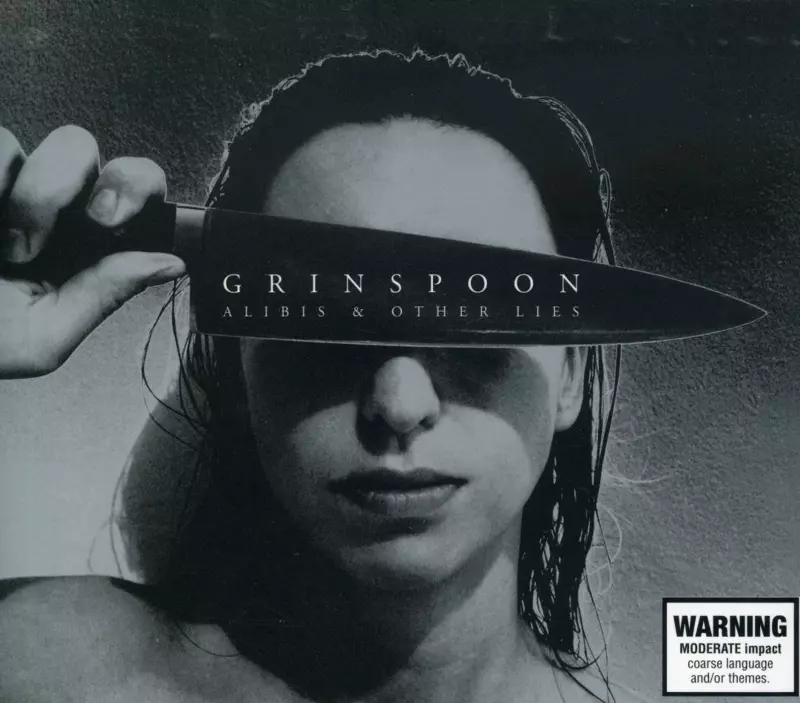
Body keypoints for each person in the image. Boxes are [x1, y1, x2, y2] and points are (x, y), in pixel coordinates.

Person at [0, 50, 632, 702]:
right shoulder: (43, 664)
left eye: (478, 314)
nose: (399, 403)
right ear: (233, 368)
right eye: (326, 315)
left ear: (571, 371)